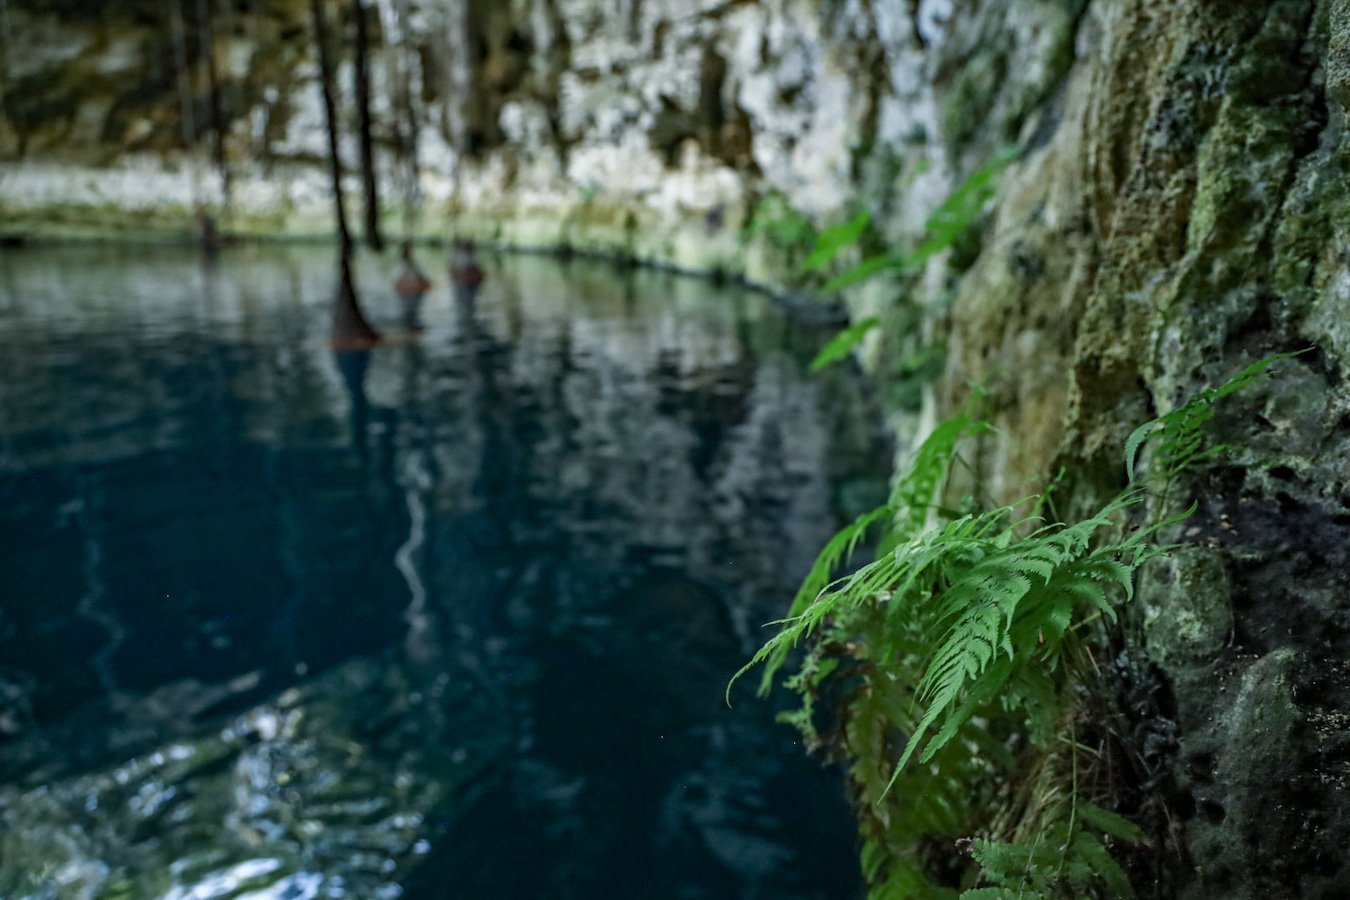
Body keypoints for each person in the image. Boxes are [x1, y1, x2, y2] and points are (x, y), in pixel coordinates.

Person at [395, 241, 431, 328]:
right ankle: (411, 325)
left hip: (411, 288)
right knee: (411, 308)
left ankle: (411, 325)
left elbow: (417, 273)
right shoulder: (405, 263)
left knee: (411, 308)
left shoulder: (408, 262)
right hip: (411, 289)